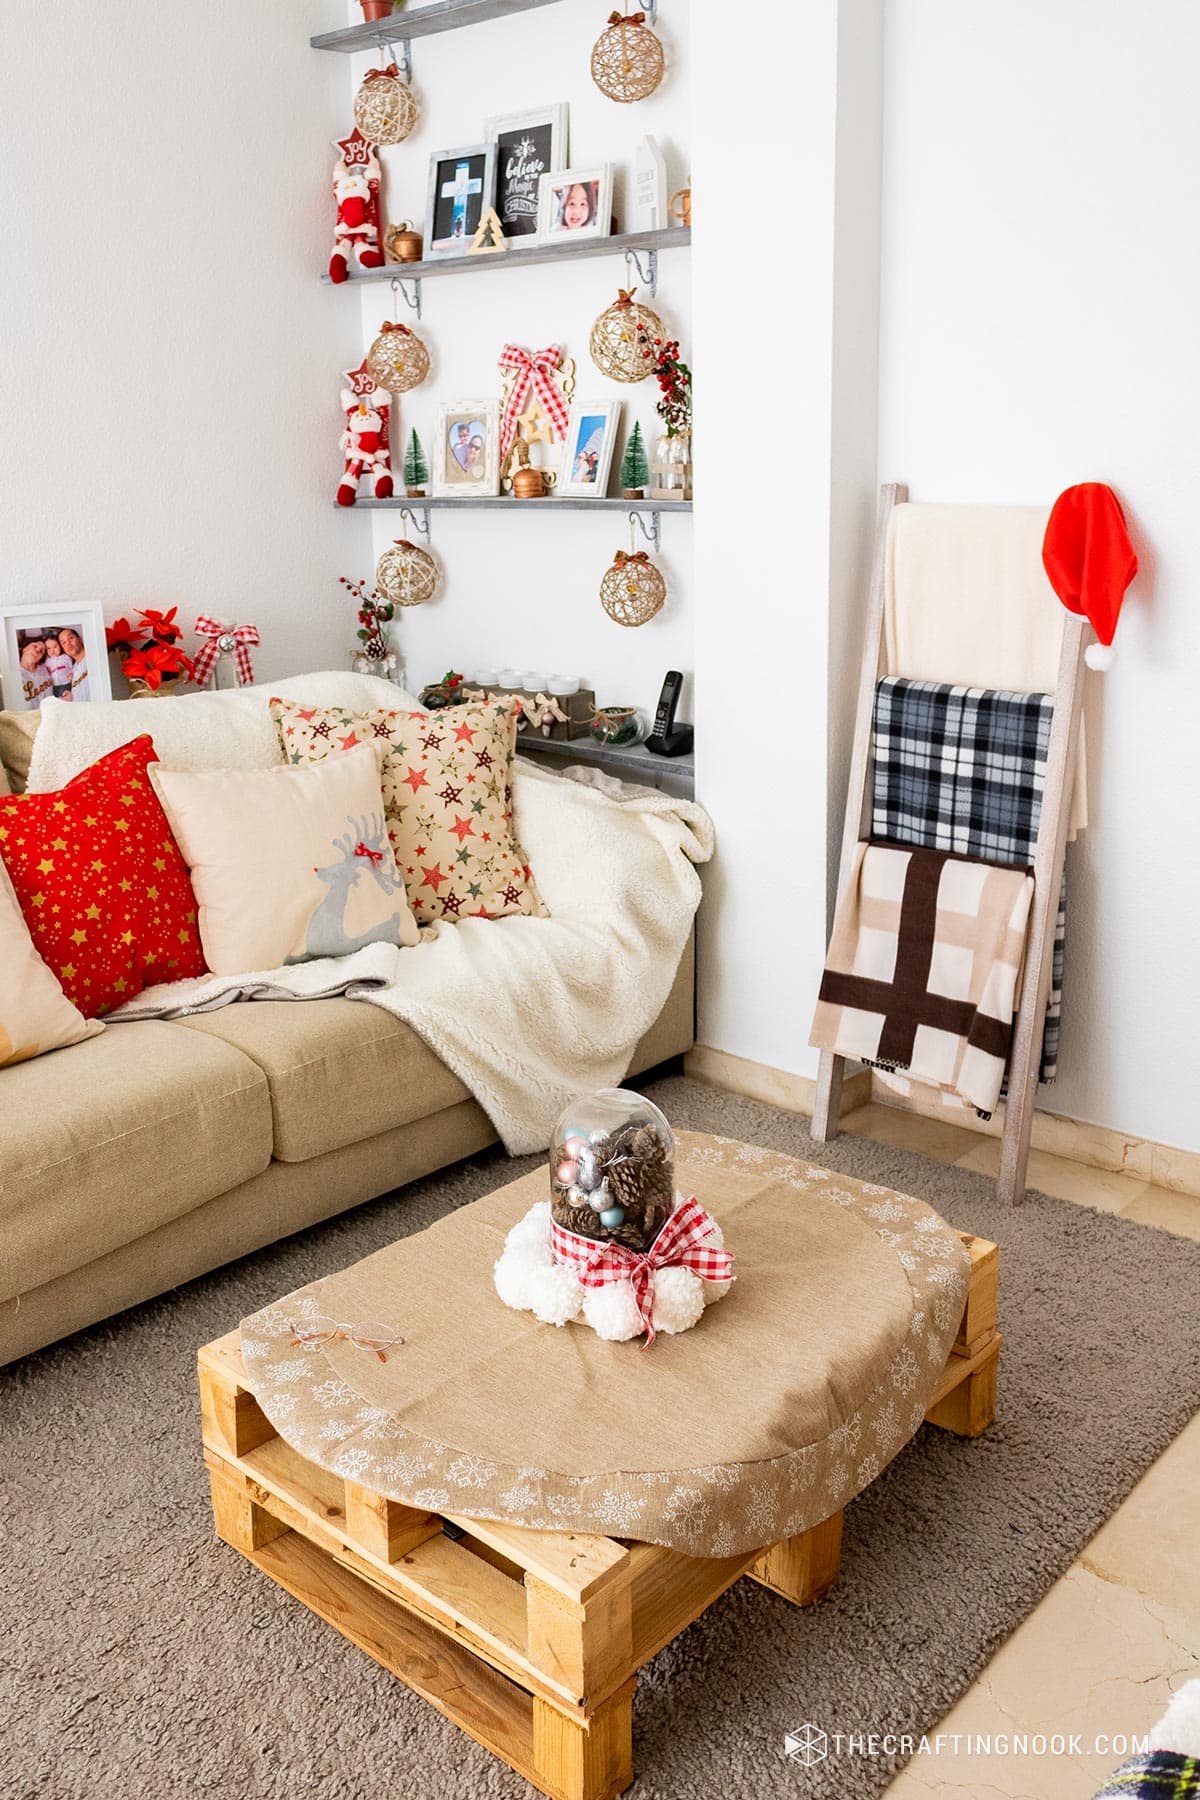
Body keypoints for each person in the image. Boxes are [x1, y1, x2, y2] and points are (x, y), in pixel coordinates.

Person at [17, 638, 53, 709]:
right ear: (24, 648)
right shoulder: (14, 674)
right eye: (35, 646)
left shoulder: (45, 668)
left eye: (41, 651)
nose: (37, 650)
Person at [57, 625, 89, 703]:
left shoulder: (93, 658)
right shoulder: (74, 669)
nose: (68, 643)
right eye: (64, 642)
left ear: (80, 638)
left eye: (71, 638)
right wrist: (71, 696)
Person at [42, 634, 74, 699]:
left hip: (65, 683)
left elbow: (72, 668)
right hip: (54, 685)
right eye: (49, 648)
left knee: (64, 699)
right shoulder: (47, 661)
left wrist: (71, 673)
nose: (52, 650)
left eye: (55, 647)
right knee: (55, 699)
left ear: (60, 646)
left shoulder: (66, 657)